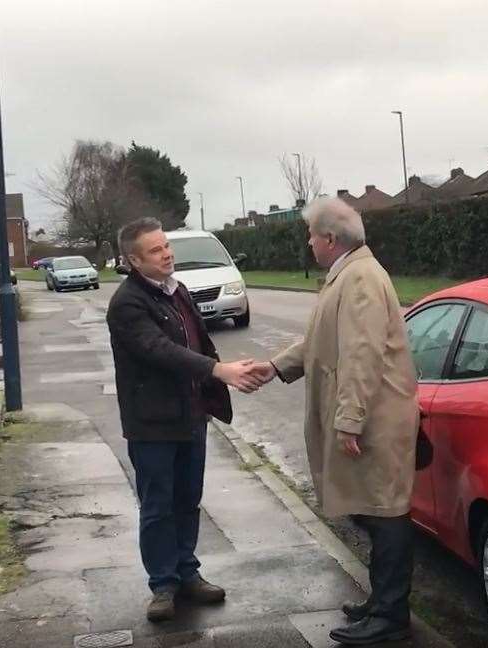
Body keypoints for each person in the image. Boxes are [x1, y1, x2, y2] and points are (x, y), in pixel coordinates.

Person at [250, 198, 419, 645]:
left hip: (377, 420)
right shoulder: (349, 274)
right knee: (373, 509)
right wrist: (275, 366)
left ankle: (391, 614)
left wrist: (350, 420)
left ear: (329, 239)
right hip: (371, 417)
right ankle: (381, 601)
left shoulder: (360, 279)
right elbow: (321, 341)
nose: (308, 242)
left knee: (386, 513)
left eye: (311, 235)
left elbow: (361, 354)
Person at [107, 217, 265, 622]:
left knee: (187, 500)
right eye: (156, 250)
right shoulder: (127, 303)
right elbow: (159, 350)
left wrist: (225, 373)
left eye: (166, 246)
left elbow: (198, 341)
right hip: (153, 424)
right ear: (134, 260)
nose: (167, 254)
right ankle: (163, 585)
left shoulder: (176, 292)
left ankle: (187, 574)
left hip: (191, 417)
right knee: (158, 505)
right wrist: (219, 371)